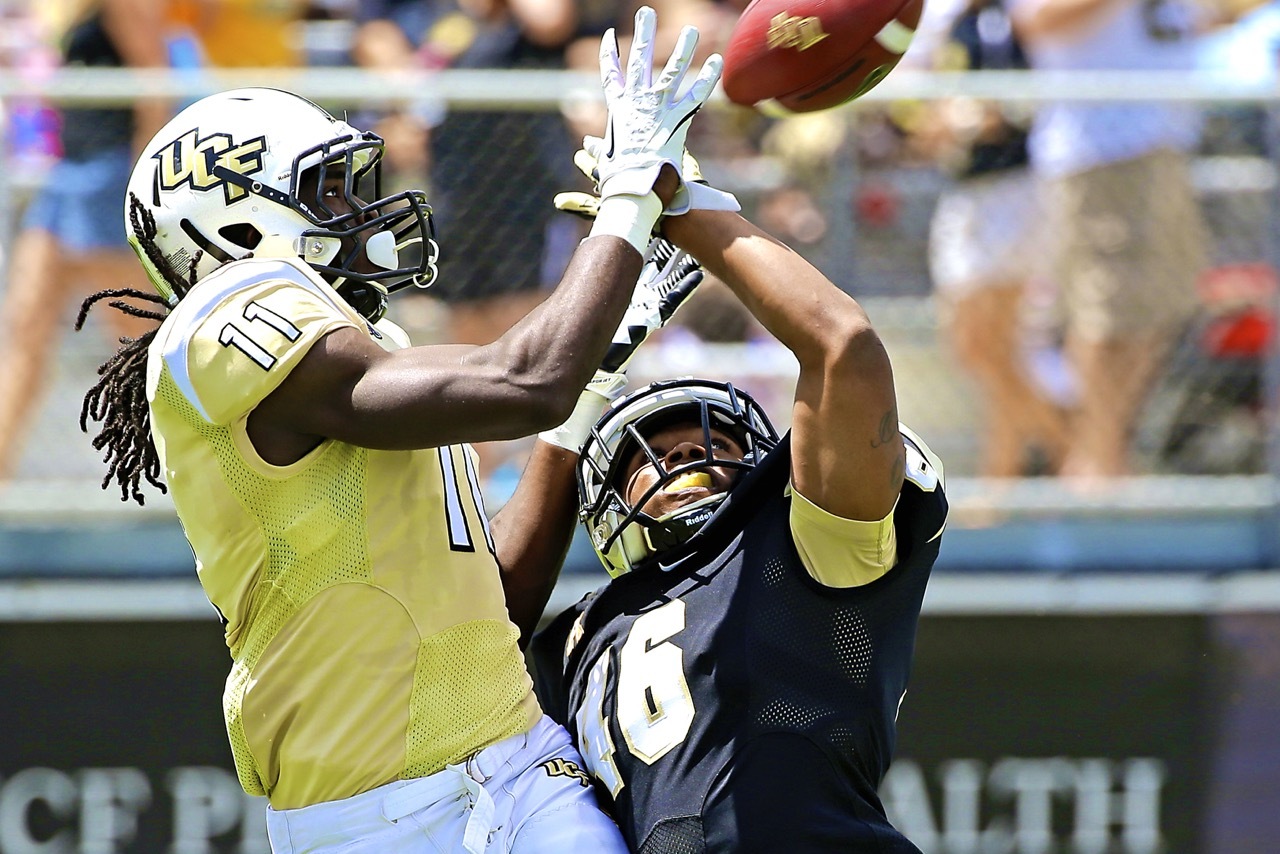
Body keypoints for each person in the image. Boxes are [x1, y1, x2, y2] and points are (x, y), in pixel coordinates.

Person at [75, 7, 723, 849]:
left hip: (522, 765)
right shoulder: (219, 320)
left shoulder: (372, 351)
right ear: (233, 224)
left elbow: (495, 605)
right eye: (326, 192)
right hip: (376, 819)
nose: (359, 212)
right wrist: (629, 198)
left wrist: (592, 383)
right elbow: (524, 381)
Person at [527, 153, 950, 851]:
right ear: (599, 503)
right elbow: (476, 633)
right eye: (651, 452)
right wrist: (580, 392)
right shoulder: (572, 646)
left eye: (712, 444)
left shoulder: (791, 549)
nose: (689, 455)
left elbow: (842, 346)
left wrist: (686, 208)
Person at [1008, 0, 1210, 479]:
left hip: (1167, 141)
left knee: (1157, 310)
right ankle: (1096, 465)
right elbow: (1034, 20)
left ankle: (1105, 453)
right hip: (1101, 148)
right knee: (1106, 312)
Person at [0, 0, 172, 480]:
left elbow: (155, 82)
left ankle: (198, 474)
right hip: (67, 173)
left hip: (107, 176)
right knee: (25, 325)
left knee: (136, 341)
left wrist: (139, 188)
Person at [909, 0, 1070, 477]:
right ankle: (1063, 451)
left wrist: (967, 121)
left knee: (993, 347)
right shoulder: (955, 21)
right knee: (976, 347)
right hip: (968, 188)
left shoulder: (1002, 18)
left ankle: (1017, 471)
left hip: (1009, 189)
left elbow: (1015, 105)